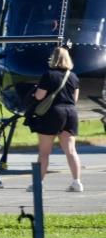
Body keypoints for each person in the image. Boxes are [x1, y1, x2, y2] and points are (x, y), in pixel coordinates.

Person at [27, 46, 83, 192]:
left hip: (53, 113)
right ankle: (76, 182)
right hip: (71, 113)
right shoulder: (74, 77)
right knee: (71, 150)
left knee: (44, 152)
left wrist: (32, 95)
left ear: (53, 58)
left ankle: (38, 183)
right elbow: (74, 100)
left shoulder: (49, 75)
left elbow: (40, 96)